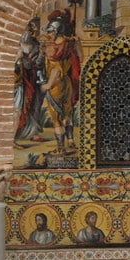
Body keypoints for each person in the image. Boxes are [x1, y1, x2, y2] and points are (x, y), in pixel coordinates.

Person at [37, 11, 81, 156]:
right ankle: (71, 141)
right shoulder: (69, 44)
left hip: (55, 84)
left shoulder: (53, 48)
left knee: (56, 118)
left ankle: (61, 148)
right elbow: (80, 58)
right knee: (67, 114)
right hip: (67, 83)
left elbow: (56, 69)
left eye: (50, 32)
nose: (49, 35)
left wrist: (48, 85)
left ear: (56, 31)